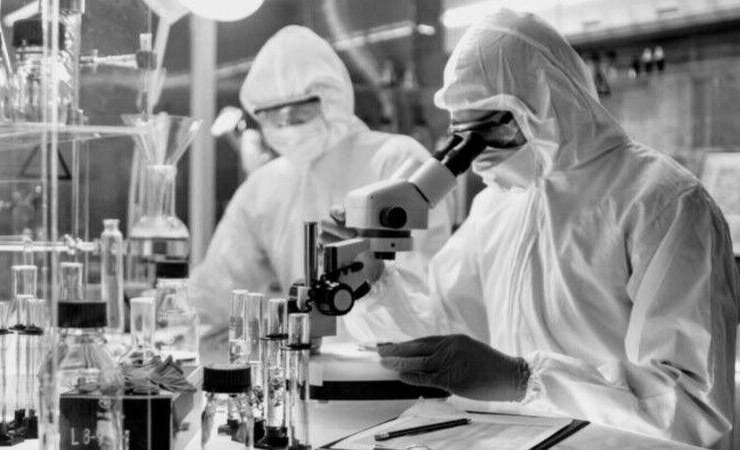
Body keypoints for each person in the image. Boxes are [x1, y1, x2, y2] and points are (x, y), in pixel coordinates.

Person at [372, 9, 740, 449]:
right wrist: (375, 284)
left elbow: (691, 407)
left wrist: (523, 379)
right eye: (463, 133)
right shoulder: (495, 205)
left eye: (494, 127)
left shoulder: (660, 201)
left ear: (550, 102)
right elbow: (442, 331)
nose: (479, 153)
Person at [189, 25, 453, 342]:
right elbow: (216, 290)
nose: (289, 126)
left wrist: (374, 282)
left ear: (334, 98)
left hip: (390, 361)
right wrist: (172, 320)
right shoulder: (263, 187)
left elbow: (426, 297)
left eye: (301, 113)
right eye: (275, 118)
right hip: (306, 361)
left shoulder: (398, 161)